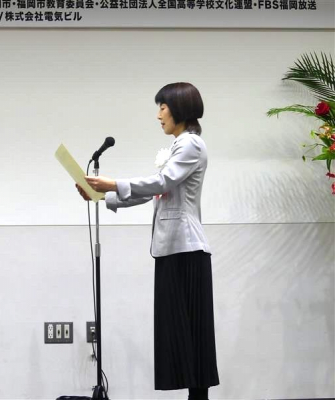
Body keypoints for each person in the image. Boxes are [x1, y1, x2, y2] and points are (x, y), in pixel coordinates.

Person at [77, 82, 219, 400]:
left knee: (191, 332)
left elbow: (161, 181)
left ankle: (199, 398)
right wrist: (103, 196)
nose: (158, 115)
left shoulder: (191, 144)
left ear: (179, 108)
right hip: (173, 249)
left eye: (162, 108)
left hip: (186, 249)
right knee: (182, 332)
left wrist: (112, 183)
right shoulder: (181, 146)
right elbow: (157, 191)